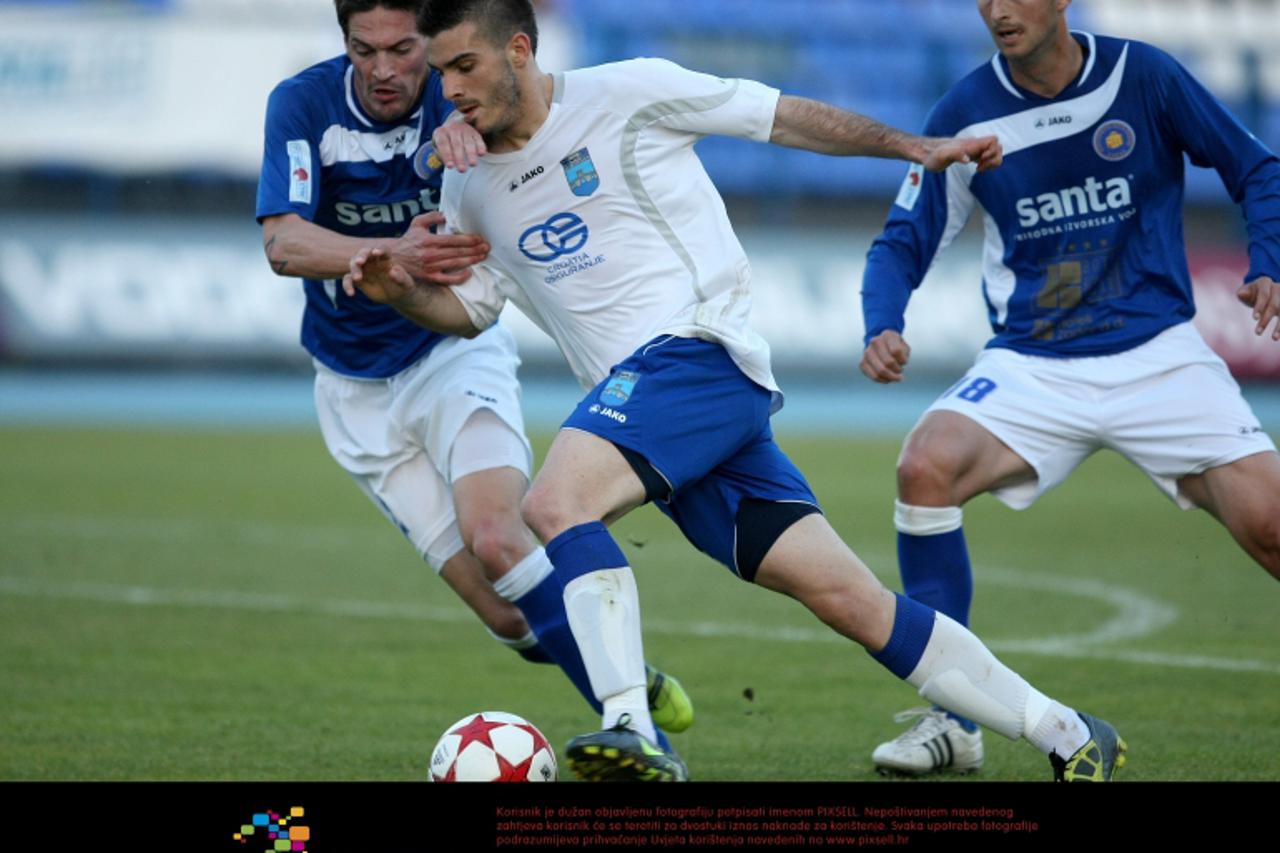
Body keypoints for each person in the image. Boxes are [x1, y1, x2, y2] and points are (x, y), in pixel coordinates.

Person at [347, 0, 1126, 783]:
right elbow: (472, 308)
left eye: (463, 66)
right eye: (441, 71)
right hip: (662, 415)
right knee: (852, 600)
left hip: (699, 354)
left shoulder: (630, 91)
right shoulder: (467, 183)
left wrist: (911, 146)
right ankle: (1067, 731)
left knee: (554, 506)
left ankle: (630, 724)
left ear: (518, 49)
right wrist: (396, 293)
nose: (448, 89)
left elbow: (781, 119)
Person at [859, 0, 1280, 776]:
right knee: (925, 465)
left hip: (1158, 354)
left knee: (1271, 525)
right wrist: (881, 321)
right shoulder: (964, 111)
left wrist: (1268, 260)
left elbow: (1256, 165)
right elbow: (902, 239)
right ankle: (953, 720)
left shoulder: (1143, 77)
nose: (997, 10)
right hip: (1032, 365)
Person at [255, 0, 692, 745]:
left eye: (404, 50)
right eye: (365, 50)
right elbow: (284, 244)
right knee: (508, 614)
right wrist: (396, 252)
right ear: (344, 44)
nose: (387, 69)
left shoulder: (458, 90)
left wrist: (470, 133)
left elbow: (527, 118)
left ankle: (632, 730)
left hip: (451, 353)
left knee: (497, 536)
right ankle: (622, 673)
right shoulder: (302, 104)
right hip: (351, 390)